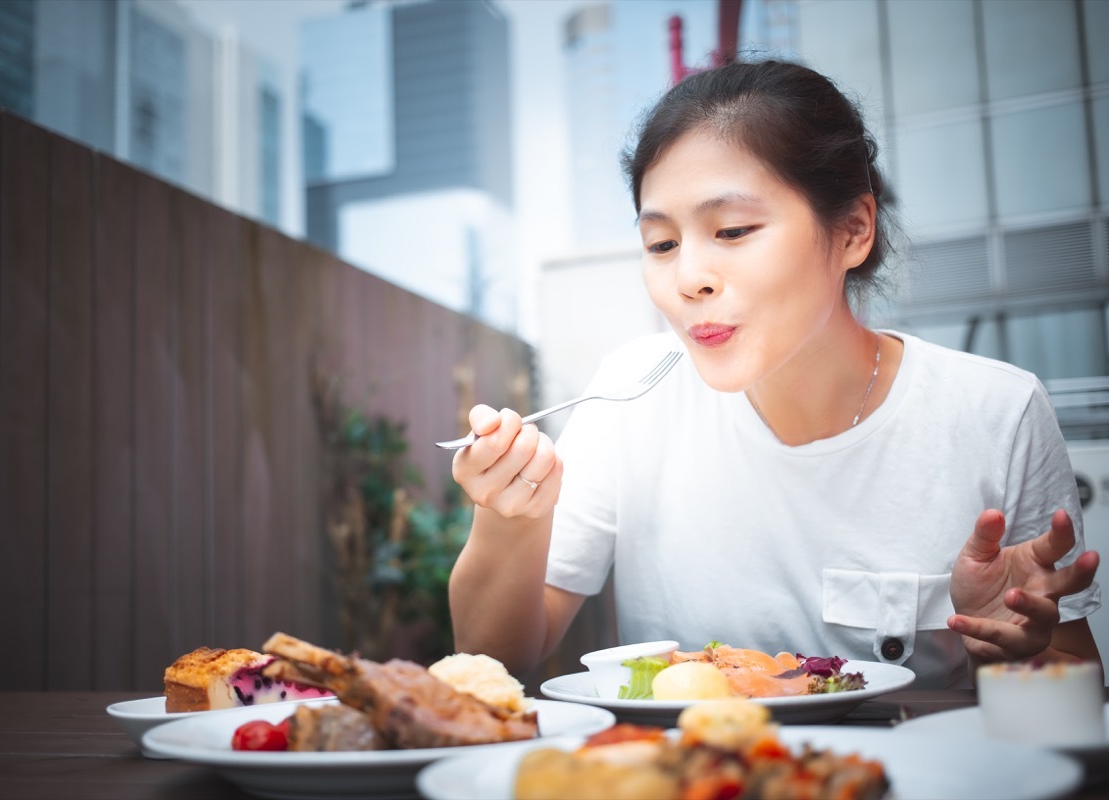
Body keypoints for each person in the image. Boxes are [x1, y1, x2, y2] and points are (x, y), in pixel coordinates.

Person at [447, 59, 1101, 688]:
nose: (688, 278)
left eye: (732, 230)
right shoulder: (630, 394)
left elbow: (1076, 687)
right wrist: (509, 520)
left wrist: (1001, 645)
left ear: (853, 231)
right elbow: (496, 660)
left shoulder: (996, 413)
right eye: (662, 244)